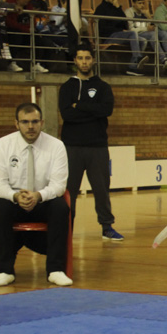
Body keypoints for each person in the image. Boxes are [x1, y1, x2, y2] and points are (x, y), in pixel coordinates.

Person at [0, 102, 72, 287]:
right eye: (25, 122)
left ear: (42, 122)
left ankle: (56, 269)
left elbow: (59, 184)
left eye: (35, 121)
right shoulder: (3, 145)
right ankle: (4, 270)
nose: (30, 126)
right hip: (14, 199)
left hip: (43, 199)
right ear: (16, 123)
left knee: (60, 207)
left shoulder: (56, 146)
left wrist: (38, 195)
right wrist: (15, 196)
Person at [58, 43, 124, 241]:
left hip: (97, 147)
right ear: (75, 61)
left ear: (93, 60)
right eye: (80, 58)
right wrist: (91, 110)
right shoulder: (67, 87)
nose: (84, 62)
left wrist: (80, 106)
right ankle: (66, 229)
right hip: (71, 147)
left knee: (101, 190)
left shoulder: (103, 87)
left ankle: (107, 227)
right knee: (69, 191)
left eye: (87, 58)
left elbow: (106, 110)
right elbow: (67, 114)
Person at [93, 0, 148, 76]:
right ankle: (137, 58)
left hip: (120, 34)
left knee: (142, 41)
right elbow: (102, 28)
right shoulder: (101, 9)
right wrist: (119, 30)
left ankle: (132, 67)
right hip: (109, 36)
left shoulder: (116, 8)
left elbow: (125, 23)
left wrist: (118, 7)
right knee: (132, 33)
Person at [5, 0, 56, 73]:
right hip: (12, 32)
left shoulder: (28, 6)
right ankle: (11, 63)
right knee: (15, 36)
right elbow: (11, 24)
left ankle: (35, 64)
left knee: (39, 39)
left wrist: (31, 29)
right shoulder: (9, 5)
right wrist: (26, 30)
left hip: (25, 32)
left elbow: (32, 21)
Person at [125, 0, 167, 69]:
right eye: (139, 3)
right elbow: (131, 30)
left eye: (143, 3)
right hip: (137, 35)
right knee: (153, 35)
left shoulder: (144, 13)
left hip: (147, 33)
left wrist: (149, 17)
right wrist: (146, 28)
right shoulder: (129, 12)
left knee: (163, 33)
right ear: (134, 3)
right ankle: (163, 59)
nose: (142, 5)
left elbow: (154, 26)